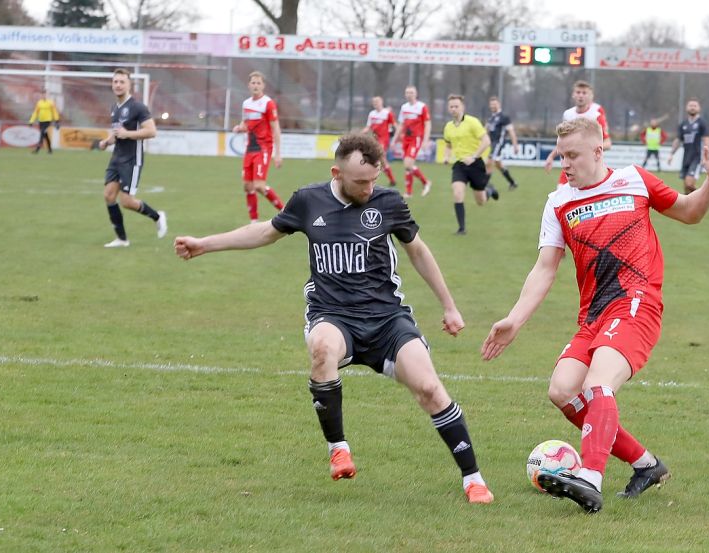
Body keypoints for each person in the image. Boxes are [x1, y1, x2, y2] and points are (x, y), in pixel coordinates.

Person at [174, 133, 494, 505]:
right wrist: (205, 244)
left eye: (373, 179)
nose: (369, 188)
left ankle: (473, 478)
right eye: (360, 182)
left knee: (429, 389)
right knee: (322, 349)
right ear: (336, 173)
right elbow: (264, 232)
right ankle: (338, 448)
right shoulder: (309, 200)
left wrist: (449, 306)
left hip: (387, 319)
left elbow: (418, 251)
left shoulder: (389, 202)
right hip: (333, 314)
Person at [482, 117, 709, 514]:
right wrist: (514, 320)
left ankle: (590, 477)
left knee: (599, 381)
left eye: (573, 155)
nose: (565, 164)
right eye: (561, 155)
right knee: (563, 390)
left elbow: (690, 213)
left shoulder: (634, 180)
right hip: (593, 316)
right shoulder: (559, 202)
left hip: (637, 304)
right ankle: (647, 465)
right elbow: (545, 268)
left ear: (598, 151)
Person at [97, 68, 167, 248]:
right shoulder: (115, 108)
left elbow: (151, 131)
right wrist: (107, 141)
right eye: (115, 82)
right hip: (116, 157)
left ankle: (157, 216)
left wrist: (127, 134)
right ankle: (121, 239)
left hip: (132, 160)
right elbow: (118, 134)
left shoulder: (137, 107)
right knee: (108, 195)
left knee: (126, 201)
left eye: (122, 82)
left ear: (129, 85)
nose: (118, 85)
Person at [232, 71, 285, 223]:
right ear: (249, 85)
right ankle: (253, 222)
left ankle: (285, 211)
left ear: (263, 86)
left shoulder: (268, 103)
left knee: (259, 186)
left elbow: (276, 128)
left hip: (263, 148)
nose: (255, 86)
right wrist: (239, 127)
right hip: (250, 148)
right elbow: (245, 123)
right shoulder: (246, 103)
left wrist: (278, 153)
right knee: (248, 186)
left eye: (258, 83)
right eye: (253, 83)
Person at [544, 81, 612, 187]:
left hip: (589, 166)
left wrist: (586, 149)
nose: (581, 95)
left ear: (591, 96)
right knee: (560, 193)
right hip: (569, 164)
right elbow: (564, 142)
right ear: (573, 95)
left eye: (584, 93)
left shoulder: (596, 116)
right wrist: (551, 157)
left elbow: (607, 143)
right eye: (578, 92)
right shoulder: (568, 114)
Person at [443, 94, 495, 235]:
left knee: (481, 201)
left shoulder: (472, 122)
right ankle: (462, 228)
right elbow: (448, 144)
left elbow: (486, 141)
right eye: (451, 106)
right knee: (458, 192)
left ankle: (489, 190)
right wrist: (446, 156)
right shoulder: (448, 126)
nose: (453, 109)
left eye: (456, 106)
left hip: (475, 164)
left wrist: (474, 156)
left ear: (462, 107)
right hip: (459, 165)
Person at [392, 85, 432, 198]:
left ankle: (417, 187)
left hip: (416, 138)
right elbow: (401, 124)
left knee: (408, 163)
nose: (409, 94)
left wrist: (426, 139)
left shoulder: (422, 107)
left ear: (416, 94)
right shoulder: (404, 107)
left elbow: (427, 124)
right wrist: (395, 138)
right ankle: (416, 188)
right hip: (406, 139)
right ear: (405, 94)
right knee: (408, 166)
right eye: (407, 92)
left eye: (411, 92)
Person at [667, 98, 709, 194]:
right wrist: (671, 154)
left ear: (699, 108)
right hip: (686, 158)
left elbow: (706, 140)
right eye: (690, 105)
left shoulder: (702, 123)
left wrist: (705, 157)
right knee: (686, 189)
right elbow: (678, 140)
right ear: (686, 108)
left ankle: (703, 196)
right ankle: (691, 207)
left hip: (697, 158)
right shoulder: (683, 124)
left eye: (695, 106)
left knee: (689, 184)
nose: (692, 108)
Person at [361, 95, 398, 187]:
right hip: (374, 139)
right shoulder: (372, 114)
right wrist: (362, 132)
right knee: (383, 160)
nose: (376, 104)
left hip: (384, 139)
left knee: (377, 157)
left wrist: (398, 136)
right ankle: (392, 180)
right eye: (374, 103)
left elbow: (394, 124)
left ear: (381, 102)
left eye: (377, 102)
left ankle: (369, 178)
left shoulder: (387, 113)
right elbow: (368, 127)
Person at [485, 96, 520, 190]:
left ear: (499, 104)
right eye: (491, 104)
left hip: (498, 143)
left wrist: (515, 145)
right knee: (498, 164)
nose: (492, 106)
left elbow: (511, 132)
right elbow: (485, 131)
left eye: (494, 104)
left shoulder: (504, 117)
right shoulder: (491, 118)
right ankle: (512, 182)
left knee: (489, 162)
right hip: (492, 143)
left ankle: (484, 185)